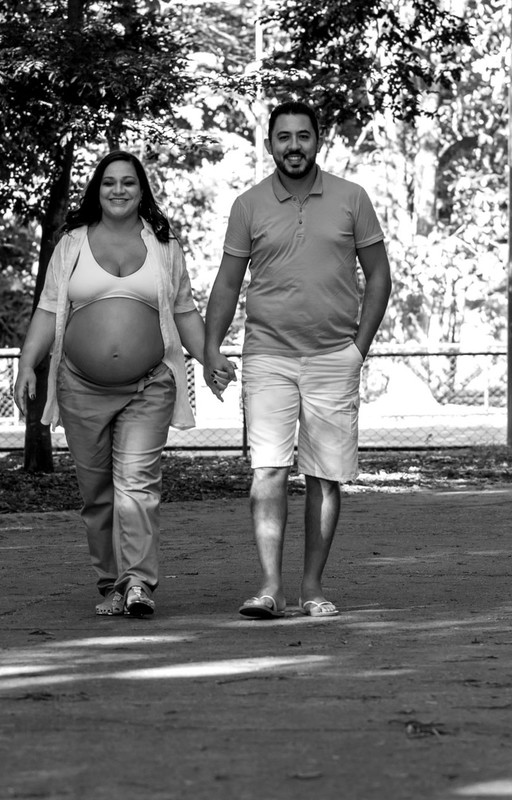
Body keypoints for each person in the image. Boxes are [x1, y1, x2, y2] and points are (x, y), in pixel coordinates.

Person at [203, 100, 392, 620]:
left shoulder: (353, 199)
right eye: (283, 137)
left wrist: (359, 347)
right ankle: (269, 587)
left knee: (325, 477)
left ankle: (312, 588)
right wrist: (209, 347)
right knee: (267, 470)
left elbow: (379, 274)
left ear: (317, 140)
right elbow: (227, 282)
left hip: (335, 357)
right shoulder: (248, 205)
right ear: (270, 145)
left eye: (302, 136)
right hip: (268, 356)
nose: (293, 146)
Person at [13, 150, 219, 618]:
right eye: (109, 183)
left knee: (138, 485)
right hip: (80, 386)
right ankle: (112, 583)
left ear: (142, 190)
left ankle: (139, 583)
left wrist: (209, 358)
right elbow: (48, 309)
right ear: (97, 191)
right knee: (98, 494)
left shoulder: (164, 245)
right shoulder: (72, 243)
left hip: (149, 385)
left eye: (129, 182)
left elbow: (184, 310)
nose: (119, 190)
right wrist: (28, 364)